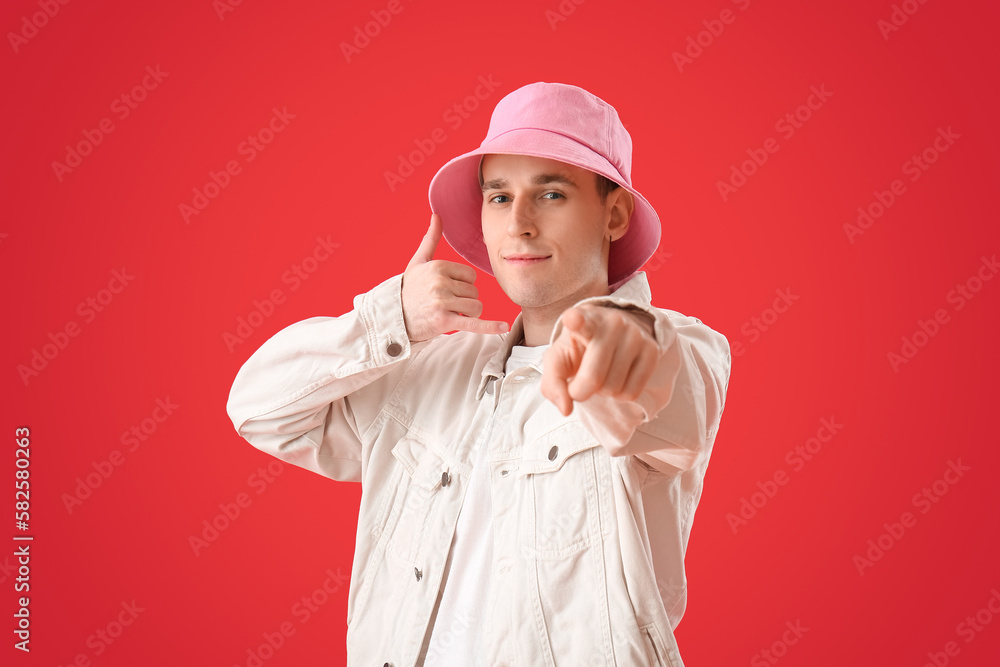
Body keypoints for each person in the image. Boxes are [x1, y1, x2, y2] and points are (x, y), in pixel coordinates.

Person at [227, 81, 731, 667]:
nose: (519, 223)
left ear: (613, 213)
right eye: (499, 196)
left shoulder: (683, 349)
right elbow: (257, 409)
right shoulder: (426, 370)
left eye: (551, 194)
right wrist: (386, 319)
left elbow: (649, 379)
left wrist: (596, 337)